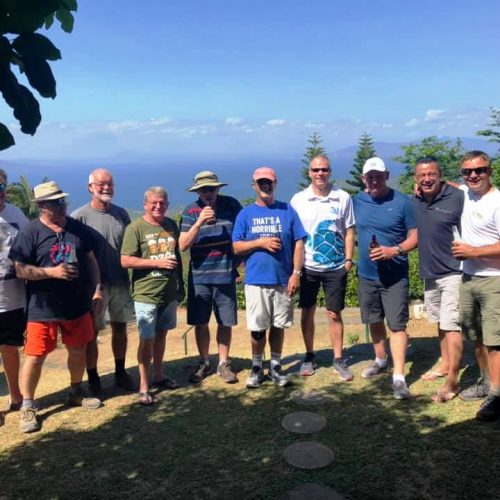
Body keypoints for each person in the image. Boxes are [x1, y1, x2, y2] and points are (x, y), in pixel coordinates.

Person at [9, 181, 103, 433]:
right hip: (42, 307)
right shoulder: (30, 232)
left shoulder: (76, 229)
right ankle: (28, 405)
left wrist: (97, 290)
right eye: (55, 203)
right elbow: (20, 270)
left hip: (77, 304)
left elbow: (91, 261)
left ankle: (76, 391)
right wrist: (51, 272)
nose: (62, 207)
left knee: (78, 349)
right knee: (35, 356)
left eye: (62, 201)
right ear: (41, 206)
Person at [233, 167, 306, 389]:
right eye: (260, 182)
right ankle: (257, 367)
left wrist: (296, 274)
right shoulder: (245, 214)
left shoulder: (287, 210)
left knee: (278, 325)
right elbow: (236, 246)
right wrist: (261, 242)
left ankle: (275, 366)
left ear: (275, 183)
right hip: (256, 280)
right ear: (253, 185)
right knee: (257, 328)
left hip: (283, 279)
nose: (265, 185)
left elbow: (299, 243)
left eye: (269, 182)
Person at [353, 157, 417, 400]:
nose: (374, 180)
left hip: (395, 276)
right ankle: (380, 359)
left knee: (397, 325)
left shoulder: (402, 202)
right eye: (370, 176)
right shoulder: (356, 201)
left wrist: (395, 250)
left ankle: (399, 376)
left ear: (387, 176)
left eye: (379, 176)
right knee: (374, 319)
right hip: (367, 274)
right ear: (363, 179)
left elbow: (415, 236)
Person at [290, 155, 355, 380]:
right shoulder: (299, 200)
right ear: (309, 172)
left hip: (336, 266)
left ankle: (338, 358)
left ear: (330, 172)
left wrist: (348, 261)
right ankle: (309, 356)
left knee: (333, 313)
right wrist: (295, 269)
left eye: (324, 169)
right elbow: (294, 236)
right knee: (307, 312)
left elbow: (349, 230)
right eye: (316, 170)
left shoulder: (342, 197)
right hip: (308, 266)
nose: (320, 173)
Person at [71, 168, 135, 396]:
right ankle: (93, 378)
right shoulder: (79, 217)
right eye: (101, 184)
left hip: (120, 281)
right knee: (92, 333)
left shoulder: (121, 214)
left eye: (110, 184)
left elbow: (129, 247)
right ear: (90, 187)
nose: (106, 188)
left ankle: (120, 372)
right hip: (93, 287)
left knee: (120, 328)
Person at [121, 187, 184, 405]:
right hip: (146, 294)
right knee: (146, 340)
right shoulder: (135, 228)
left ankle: (159, 375)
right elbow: (125, 260)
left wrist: (180, 285)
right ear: (145, 205)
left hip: (168, 292)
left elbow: (177, 257)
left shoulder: (171, 225)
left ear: (167, 204)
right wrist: (157, 263)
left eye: (162, 203)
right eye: (154, 203)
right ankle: (144, 385)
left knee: (161, 336)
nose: (158, 206)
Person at [179, 171, 242, 384]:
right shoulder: (190, 211)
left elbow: (243, 233)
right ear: (197, 192)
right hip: (200, 277)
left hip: (225, 274)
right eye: (204, 190)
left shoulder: (231, 205)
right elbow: (183, 245)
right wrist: (199, 222)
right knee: (201, 322)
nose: (208, 193)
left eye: (212, 189)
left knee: (225, 322)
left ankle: (223, 363)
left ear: (218, 189)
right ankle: (204, 362)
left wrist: (239, 263)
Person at [451, 151, 500, 421]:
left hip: (494, 279)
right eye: (467, 172)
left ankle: (498, 395)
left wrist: (473, 252)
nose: (473, 175)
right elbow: (444, 185)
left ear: (489, 171)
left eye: (479, 170)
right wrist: (423, 185)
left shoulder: (497, 201)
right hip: (468, 278)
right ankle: (486, 382)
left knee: (496, 341)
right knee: (477, 336)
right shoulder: (464, 193)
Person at [413, 157, 463, 402]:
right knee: (441, 323)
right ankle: (445, 363)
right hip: (430, 272)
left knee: (452, 325)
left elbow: (476, 192)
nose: (427, 179)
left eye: (431, 174)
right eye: (422, 175)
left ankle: (453, 381)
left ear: (440, 175)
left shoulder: (458, 196)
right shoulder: (416, 199)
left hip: (454, 271)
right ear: (416, 178)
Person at [0, 169, 27, 419]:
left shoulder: (16, 214)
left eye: (1, 187)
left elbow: (30, 245)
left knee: (10, 348)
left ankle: (16, 396)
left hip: (12, 298)